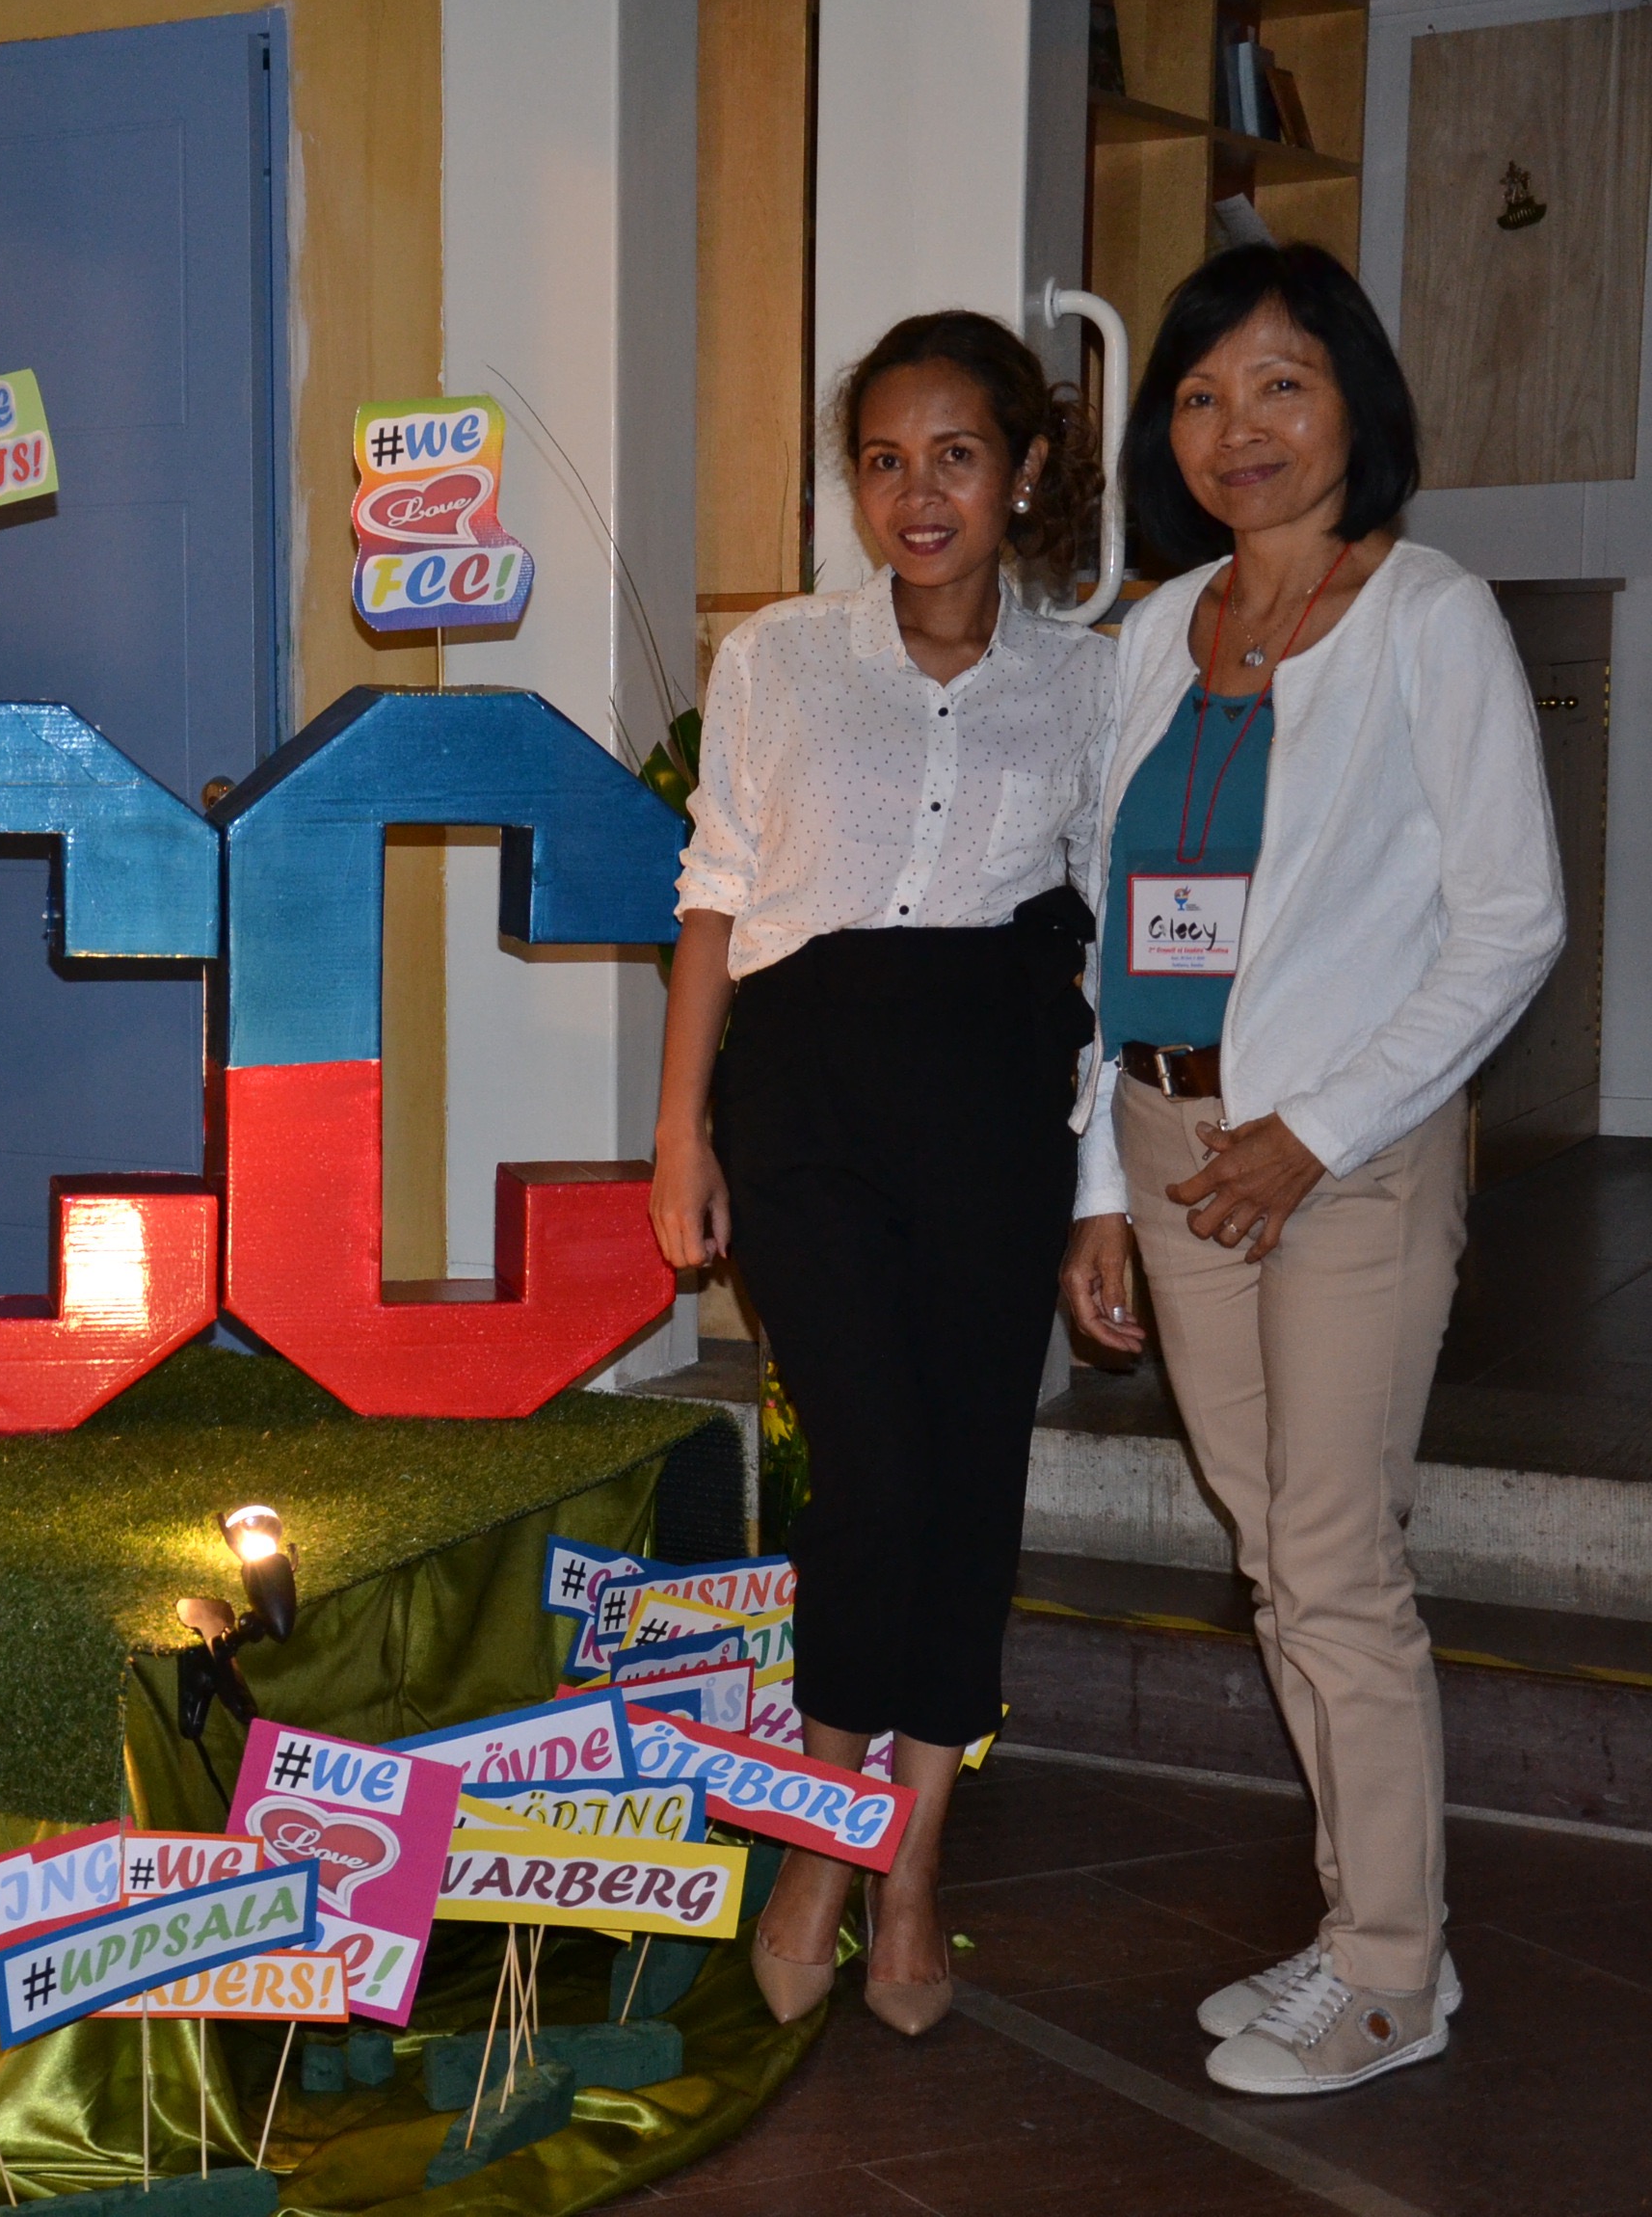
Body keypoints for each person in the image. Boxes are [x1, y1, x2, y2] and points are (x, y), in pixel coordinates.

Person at [1058, 245, 1560, 2097]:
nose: (1237, 428)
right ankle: (1365, 1922)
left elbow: (1511, 924)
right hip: (1171, 1140)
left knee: (1334, 1559)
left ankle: (1392, 1972)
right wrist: (1098, 1190)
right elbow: (1104, 933)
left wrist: (1315, 1133)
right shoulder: (1154, 635)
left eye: (1281, 384)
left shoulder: (1428, 614)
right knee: (1275, 1553)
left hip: (1343, 1152)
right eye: (1199, 395)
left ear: (1356, 402)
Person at [652, 311, 1112, 2038]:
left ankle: (909, 1861)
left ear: (1025, 472)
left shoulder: (1091, 679)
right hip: (807, 1101)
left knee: (971, 1476)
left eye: (957, 457)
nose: (918, 496)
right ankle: (818, 1844)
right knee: (871, 1472)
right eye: (883, 461)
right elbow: (716, 894)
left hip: (997, 1102)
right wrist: (680, 1130)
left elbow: (1109, 944)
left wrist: (1100, 1193)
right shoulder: (778, 658)